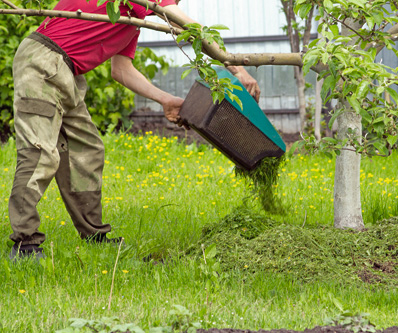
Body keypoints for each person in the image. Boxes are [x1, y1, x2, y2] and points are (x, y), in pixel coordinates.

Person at [8, 0, 261, 260]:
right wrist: (235, 67)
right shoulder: (142, 3)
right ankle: (24, 244)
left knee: (87, 150)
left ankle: (94, 235)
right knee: (40, 153)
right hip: (43, 62)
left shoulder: (129, 18)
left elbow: (121, 70)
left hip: (66, 72)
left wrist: (165, 99)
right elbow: (187, 25)